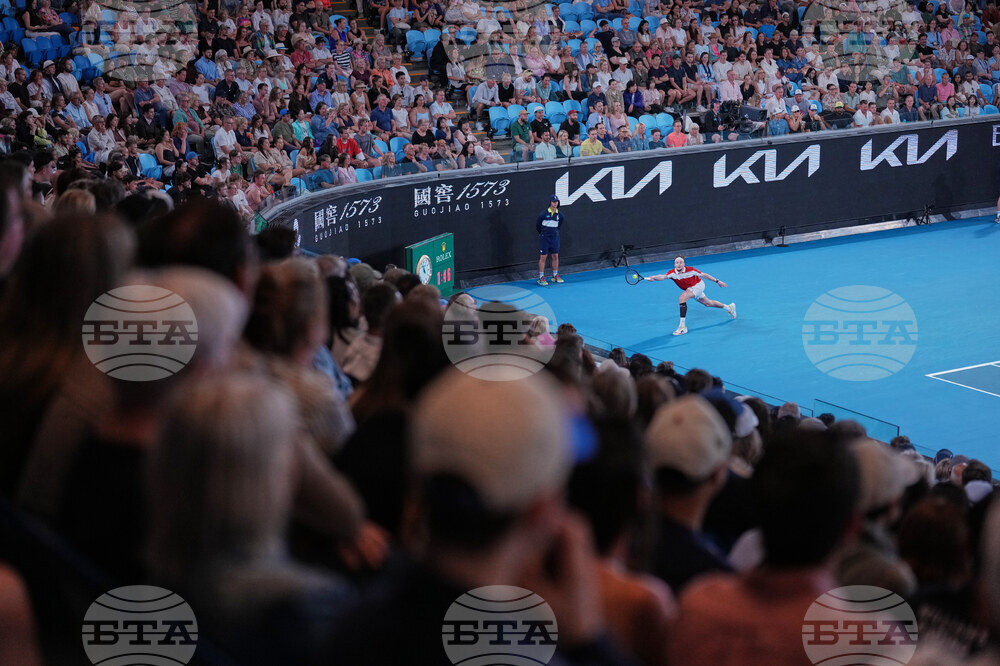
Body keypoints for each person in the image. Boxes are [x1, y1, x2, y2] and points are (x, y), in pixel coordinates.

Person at [647, 256, 736, 336]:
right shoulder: (672, 273)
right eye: (677, 262)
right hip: (691, 288)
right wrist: (653, 277)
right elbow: (662, 277)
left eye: (680, 262)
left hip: (698, 285)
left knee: (682, 298)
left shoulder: (691, 270)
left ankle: (682, 327)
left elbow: (704, 275)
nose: (679, 264)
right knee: (708, 303)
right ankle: (729, 308)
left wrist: (717, 281)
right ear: (674, 264)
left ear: (684, 264)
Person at [536, 194, 565, 286]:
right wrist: (544, 233)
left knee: (555, 256)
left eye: (556, 202)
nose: (555, 203)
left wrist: (553, 233)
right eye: (553, 202)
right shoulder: (543, 214)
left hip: (554, 237)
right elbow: (538, 226)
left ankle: (555, 275)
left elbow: (558, 226)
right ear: (550, 203)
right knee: (543, 257)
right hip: (544, 238)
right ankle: (541, 277)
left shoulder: (560, 215)